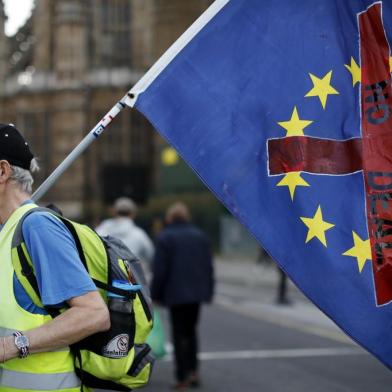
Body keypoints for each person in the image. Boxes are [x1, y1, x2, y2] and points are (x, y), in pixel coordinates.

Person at [0, 123, 110, 391]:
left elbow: (93, 314)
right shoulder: (7, 230)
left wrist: (11, 346)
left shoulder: (37, 226)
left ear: (2, 171)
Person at [151, 202, 214, 390]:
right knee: (192, 332)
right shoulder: (201, 236)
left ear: (169, 218)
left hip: (175, 293)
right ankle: (194, 371)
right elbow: (208, 267)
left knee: (179, 335)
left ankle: (182, 377)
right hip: (196, 293)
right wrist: (208, 290)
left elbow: (160, 270)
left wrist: (155, 293)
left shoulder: (165, 237)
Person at [96, 197, 154, 268]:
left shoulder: (102, 229)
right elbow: (151, 255)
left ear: (114, 212)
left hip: (107, 275)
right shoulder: (139, 234)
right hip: (132, 276)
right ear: (133, 214)